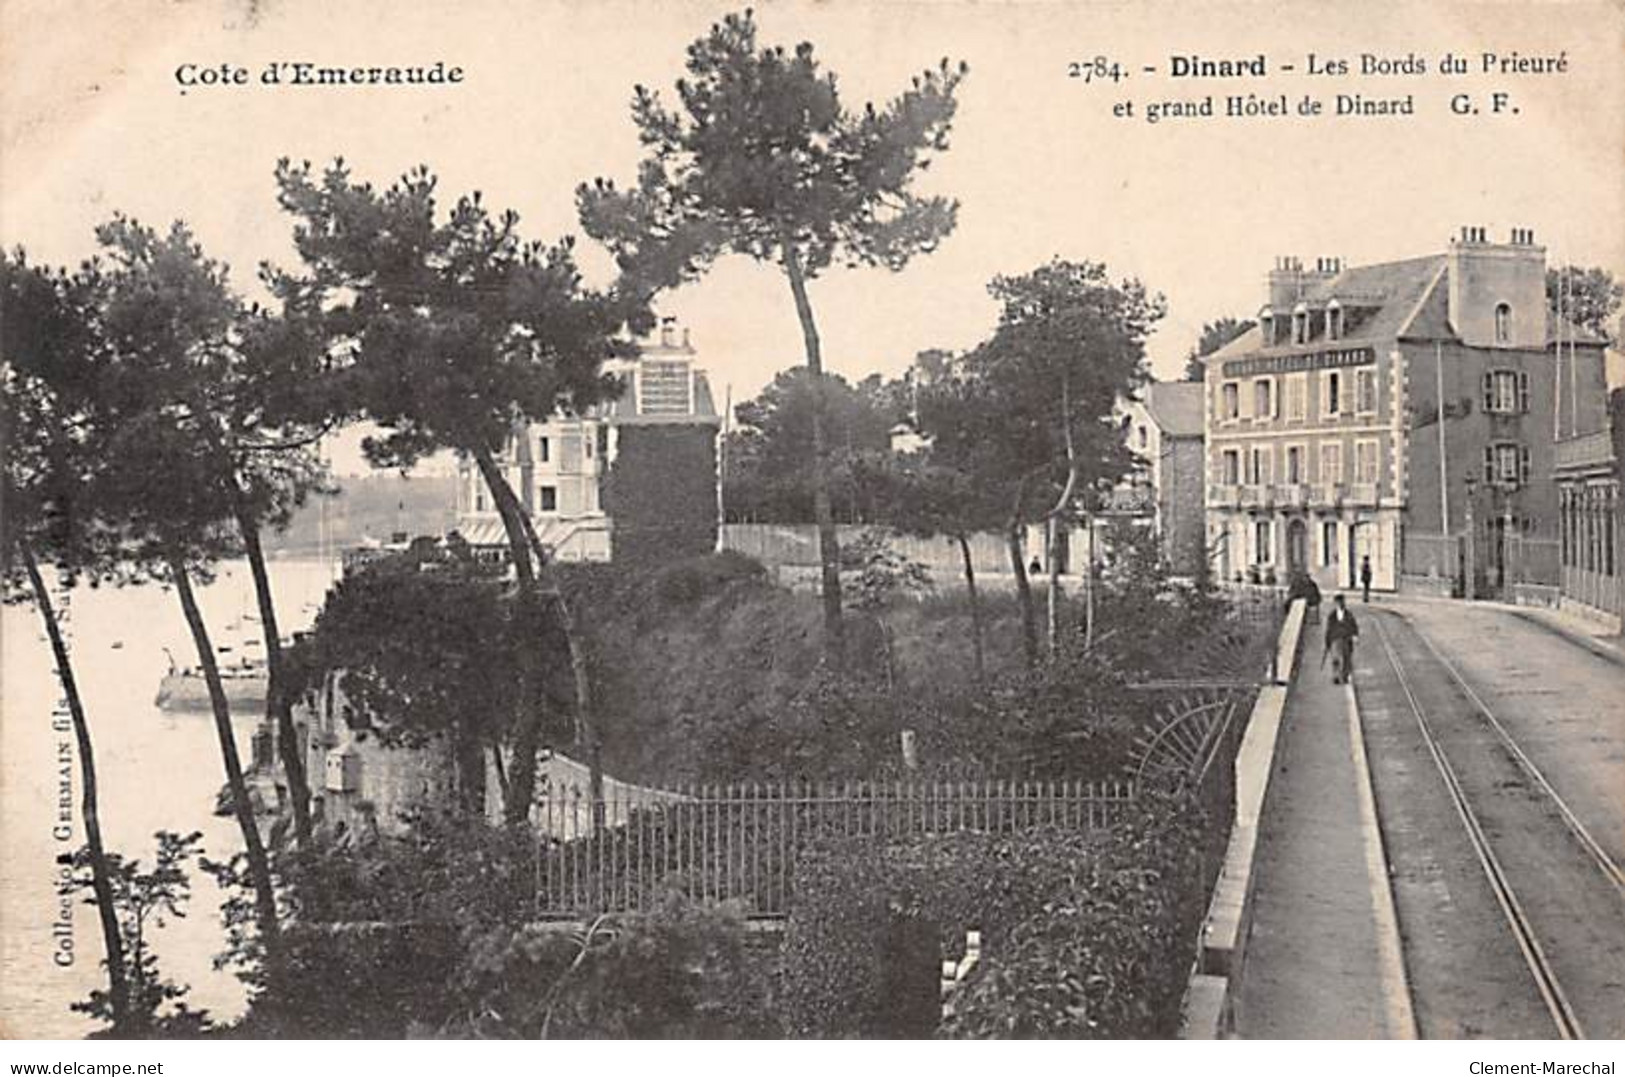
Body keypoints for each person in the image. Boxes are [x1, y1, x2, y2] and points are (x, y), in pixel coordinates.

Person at [1324, 594, 1359, 684]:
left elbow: (1353, 626)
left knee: (1346, 658)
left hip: (1346, 639)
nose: (1340, 604)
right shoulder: (1332, 616)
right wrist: (1327, 642)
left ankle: (1345, 676)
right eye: (1338, 602)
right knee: (1336, 659)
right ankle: (1336, 676)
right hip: (1335, 639)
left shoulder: (1349, 614)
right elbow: (1329, 629)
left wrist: (1355, 635)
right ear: (1335, 603)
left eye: (1342, 602)